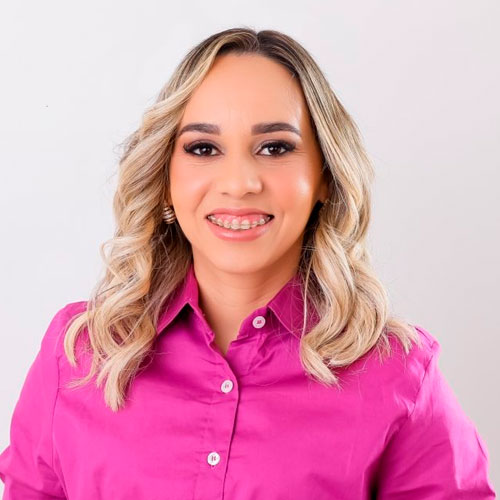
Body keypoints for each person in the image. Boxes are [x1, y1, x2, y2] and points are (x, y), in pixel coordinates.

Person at [0, 27, 495, 499]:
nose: (239, 183)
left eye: (275, 147)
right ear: (165, 179)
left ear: (325, 176)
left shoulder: (398, 373)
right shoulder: (78, 354)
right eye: (203, 148)